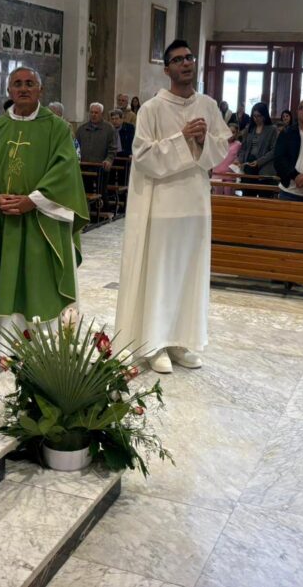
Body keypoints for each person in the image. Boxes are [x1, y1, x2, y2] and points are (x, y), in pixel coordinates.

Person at [116, 40, 232, 374]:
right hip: (163, 205)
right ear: (166, 69)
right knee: (162, 274)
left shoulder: (208, 105)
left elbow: (220, 150)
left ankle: (181, 341)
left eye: (189, 57)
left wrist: (203, 141)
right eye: (178, 59)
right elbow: (143, 156)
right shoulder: (152, 109)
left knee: (189, 274)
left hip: (196, 204)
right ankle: (155, 344)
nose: (186, 63)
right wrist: (182, 138)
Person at [0, 67, 89, 355]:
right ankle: (8, 347)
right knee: (8, 279)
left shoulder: (57, 128)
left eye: (30, 83)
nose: (23, 88)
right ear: (8, 90)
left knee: (40, 282)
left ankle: (45, 347)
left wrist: (33, 200)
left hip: (42, 220)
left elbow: (65, 171)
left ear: (40, 90)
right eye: (17, 84)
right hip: (4, 220)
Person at [237, 102, 278, 181]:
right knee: (247, 187)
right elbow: (243, 148)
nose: (256, 118)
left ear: (264, 115)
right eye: (254, 116)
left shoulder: (272, 129)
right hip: (248, 163)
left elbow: (274, 150)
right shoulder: (249, 128)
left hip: (264, 165)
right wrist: (240, 160)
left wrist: (259, 162)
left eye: (259, 116)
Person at [76, 102, 117, 170]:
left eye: (96, 113)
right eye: (91, 112)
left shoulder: (109, 129)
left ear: (102, 114)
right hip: (83, 166)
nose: (93, 115)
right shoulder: (81, 129)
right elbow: (76, 146)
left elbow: (112, 148)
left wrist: (109, 160)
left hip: (101, 166)